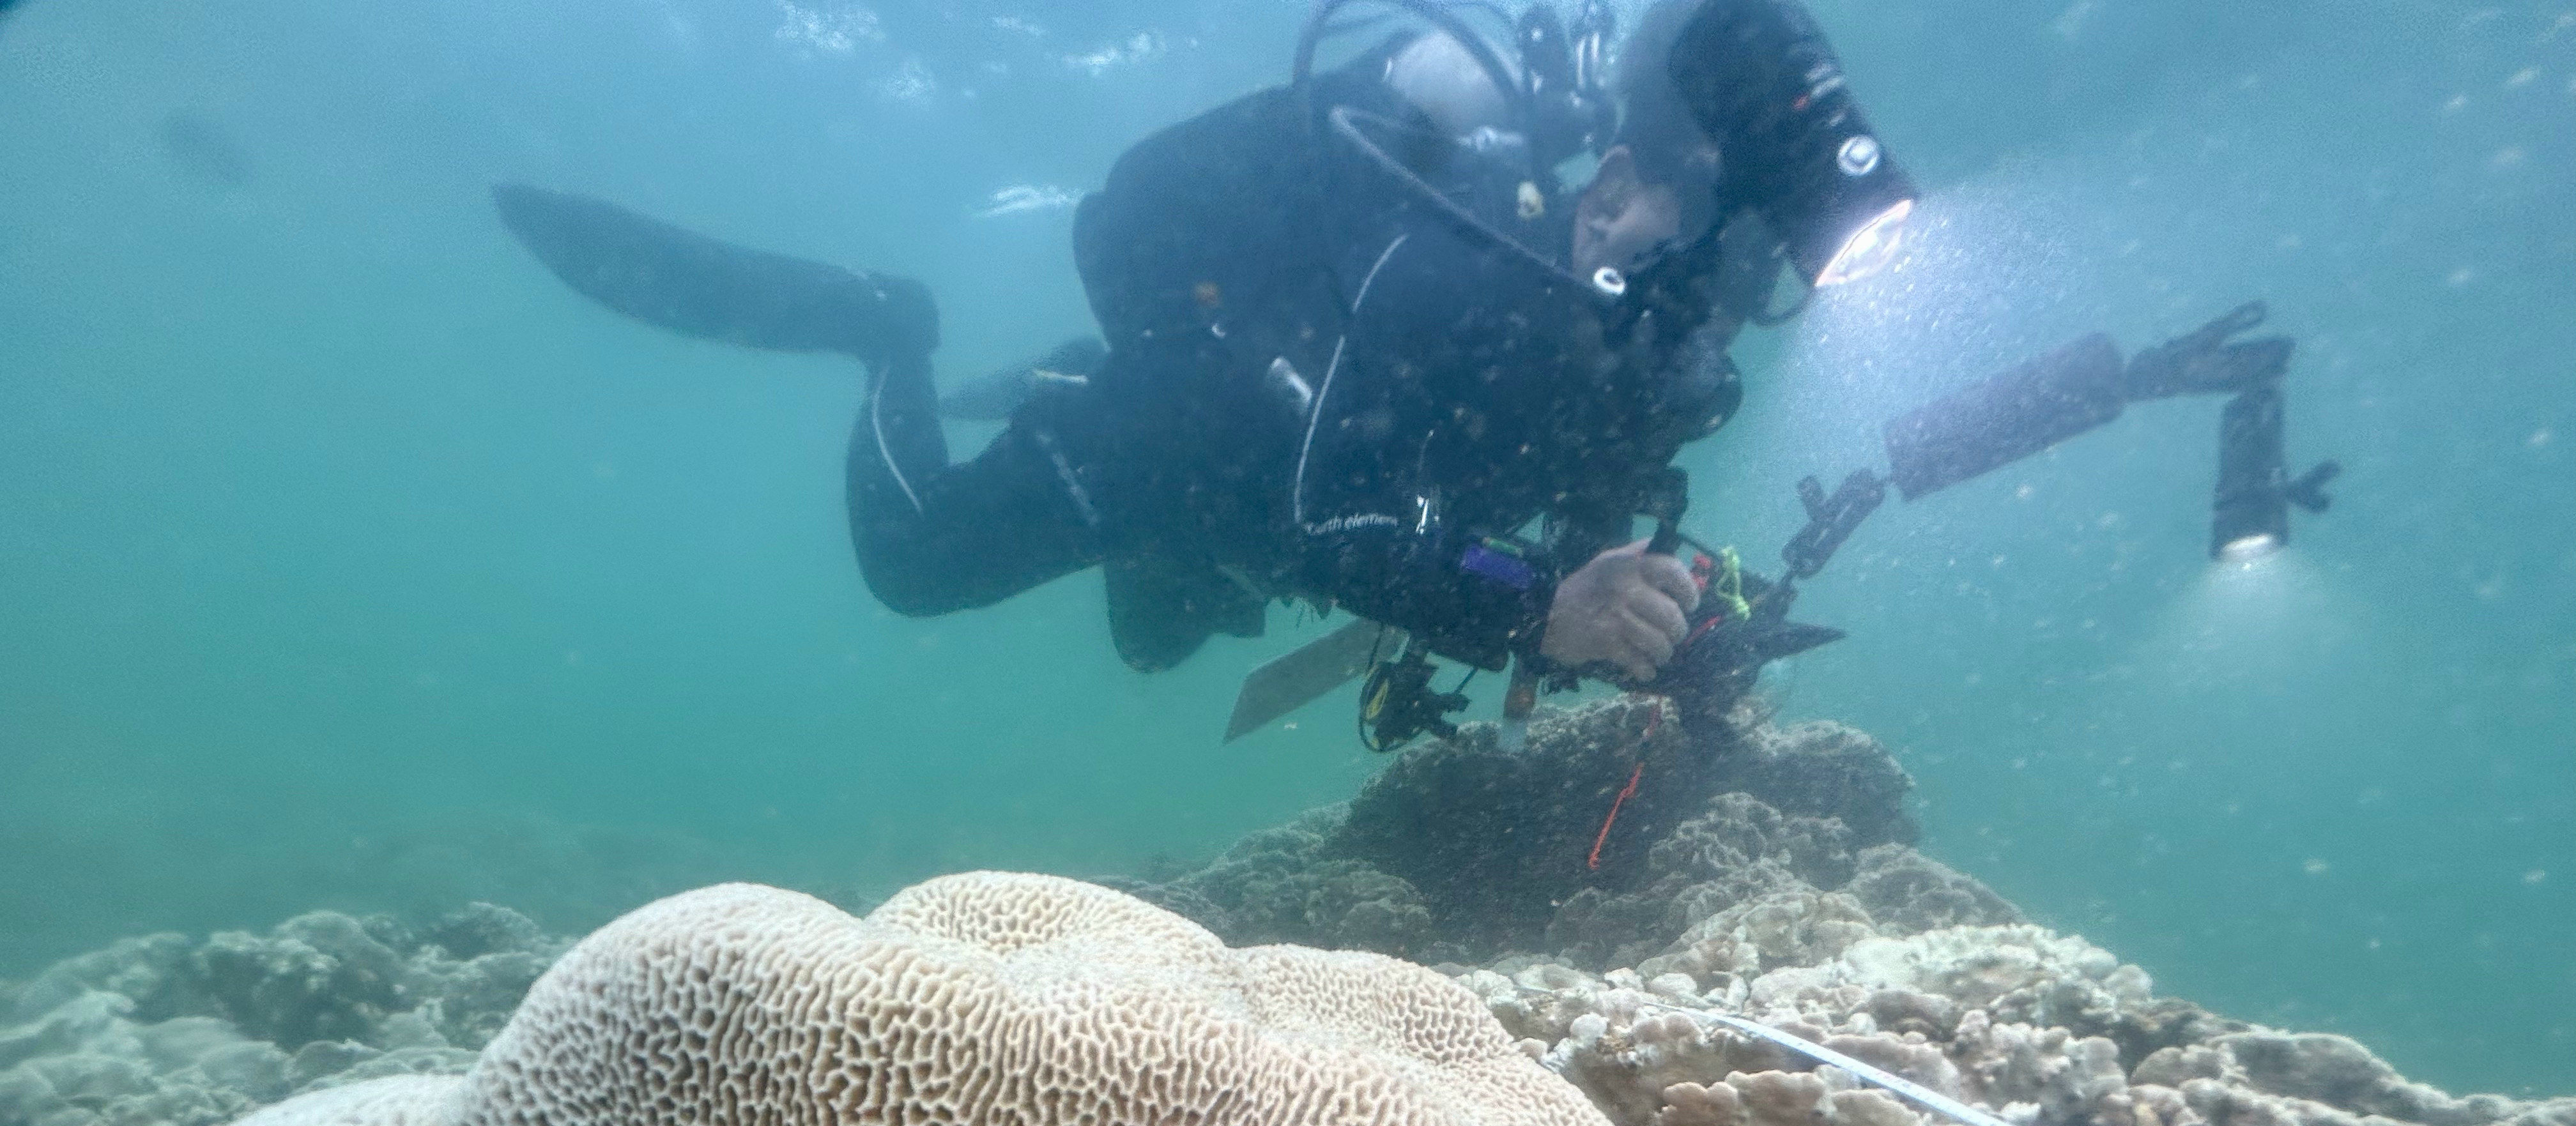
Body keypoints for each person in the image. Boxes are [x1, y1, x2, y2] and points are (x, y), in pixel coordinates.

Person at [494, 0, 1913, 701]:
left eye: (1742, 284)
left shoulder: (1642, 346)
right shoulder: (1461, 259)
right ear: (1607, 185)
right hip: (1191, 434)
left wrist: (1658, 613)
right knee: (917, 567)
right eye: (1696, 255)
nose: (1705, 316)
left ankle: (1080, 428)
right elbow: (1343, 515)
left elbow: (1565, 533)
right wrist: (1531, 609)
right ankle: (889, 329)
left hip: (1270, 521)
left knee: (1155, 648)